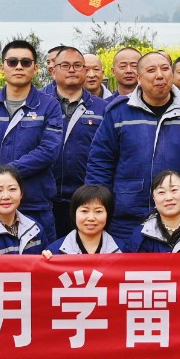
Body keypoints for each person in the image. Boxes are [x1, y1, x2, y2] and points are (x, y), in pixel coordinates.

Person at [85, 50, 180, 251]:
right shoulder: (119, 112)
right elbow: (100, 162)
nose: (160, 75)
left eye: (165, 69)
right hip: (126, 216)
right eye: (151, 70)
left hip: (178, 216)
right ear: (139, 77)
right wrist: (96, 207)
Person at [0, 39, 65, 240]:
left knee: (40, 257)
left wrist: (1, 173)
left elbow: (48, 151)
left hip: (34, 203)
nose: (18, 67)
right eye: (12, 62)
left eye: (25, 62)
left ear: (35, 68)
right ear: (2, 68)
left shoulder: (49, 105)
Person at [47, 46, 107, 237]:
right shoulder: (40, 105)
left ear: (85, 70)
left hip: (87, 200)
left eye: (77, 65)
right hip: (45, 199)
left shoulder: (104, 108)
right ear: (53, 70)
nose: (72, 70)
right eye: (65, 65)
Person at [44, 184, 120, 255]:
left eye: (98, 211)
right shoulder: (55, 251)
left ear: (108, 214)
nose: (91, 218)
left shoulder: (121, 249)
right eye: (84, 211)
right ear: (74, 213)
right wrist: (45, 259)